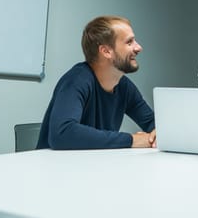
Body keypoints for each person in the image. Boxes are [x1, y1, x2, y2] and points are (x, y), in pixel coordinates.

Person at [36, 15, 156, 150]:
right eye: (129, 42)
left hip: (94, 166)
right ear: (106, 51)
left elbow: (153, 123)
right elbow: (62, 133)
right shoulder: (77, 79)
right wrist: (132, 140)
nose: (138, 47)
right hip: (56, 168)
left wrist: (157, 132)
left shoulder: (124, 86)